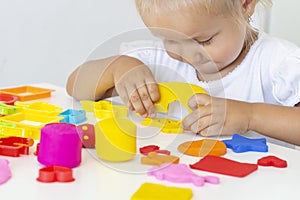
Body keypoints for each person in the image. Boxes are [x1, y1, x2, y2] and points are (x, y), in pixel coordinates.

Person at [66, 0, 300, 147]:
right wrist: (117, 68)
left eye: (204, 41)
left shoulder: (280, 63)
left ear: (246, 4)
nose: (188, 55)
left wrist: (251, 116)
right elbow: (74, 85)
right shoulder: (157, 58)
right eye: (171, 40)